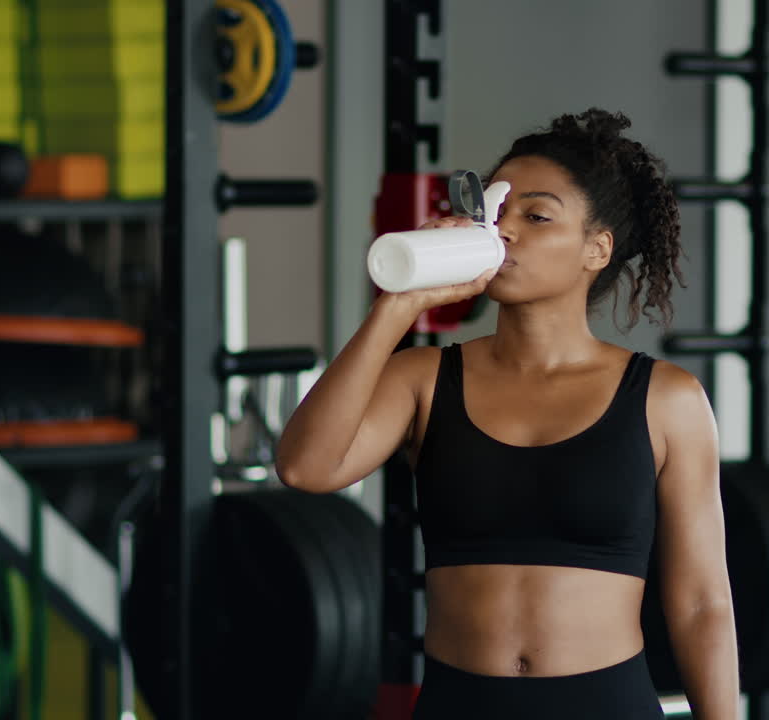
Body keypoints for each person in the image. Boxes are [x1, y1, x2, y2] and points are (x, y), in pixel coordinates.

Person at [276, 108, 738, 720]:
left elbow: (703, 602)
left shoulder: (666, 398)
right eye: (495, 215)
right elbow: (307, 468)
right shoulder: (424, 378)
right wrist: (397, 306)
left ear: (596, 249)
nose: (506, 232)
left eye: (536, 216)